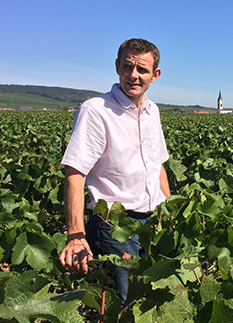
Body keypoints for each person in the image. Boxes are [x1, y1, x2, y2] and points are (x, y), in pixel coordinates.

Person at [58, 38, 170, 301]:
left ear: (155, 75)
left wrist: (169, 210)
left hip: (153, 220)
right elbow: (75, 173)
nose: (133, 75)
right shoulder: (96, 110)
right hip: (113, 224)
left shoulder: (153, 111)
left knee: (154, 297)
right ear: (117, 66)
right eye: (127, 66)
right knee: (124, 300)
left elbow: (158, 165)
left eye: (142, 70)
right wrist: (76, 235)